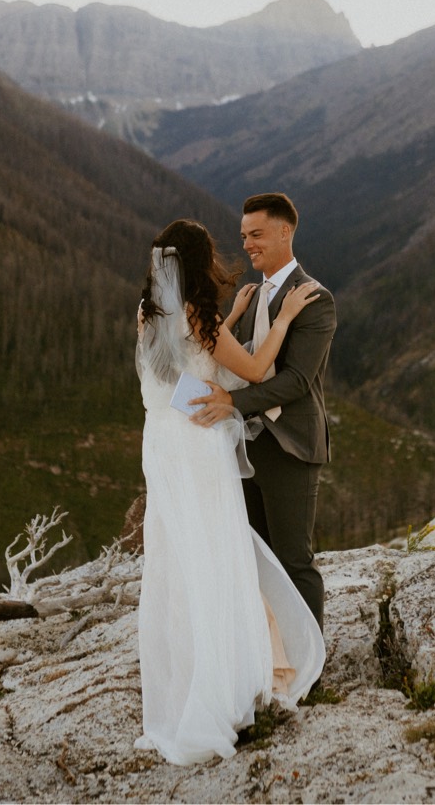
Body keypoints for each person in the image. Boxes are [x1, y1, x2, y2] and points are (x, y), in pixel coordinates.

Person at [133, 218, 326, 766]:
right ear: (199, 263)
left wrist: (233, 318)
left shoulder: (146, 313)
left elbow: (173, 375)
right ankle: (233, 682)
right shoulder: (203, 317)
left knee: (179, 560)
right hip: (198, 447)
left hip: (162, 444)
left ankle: (185, 687)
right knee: (219, 554)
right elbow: (258, 367)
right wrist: (284, 316)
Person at [190, 192, 336, 630]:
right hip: (247, 447)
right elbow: (241, 360)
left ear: (284, 231)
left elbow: (295, 381)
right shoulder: (253, 295)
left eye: (256, 235)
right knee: (258, 559)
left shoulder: (314, 299)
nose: (248, 244)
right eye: (243, 236)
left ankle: (312, 669)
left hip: (290, 446)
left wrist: (231, 402)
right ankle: (276, 663)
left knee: (294, 560)